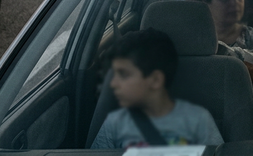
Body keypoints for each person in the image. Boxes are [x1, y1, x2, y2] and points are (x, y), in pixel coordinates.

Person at [91, 29, 224, 149]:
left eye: (125, 75)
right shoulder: (115, 123)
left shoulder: (198, 120)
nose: (114, 84)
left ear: (155, 80)